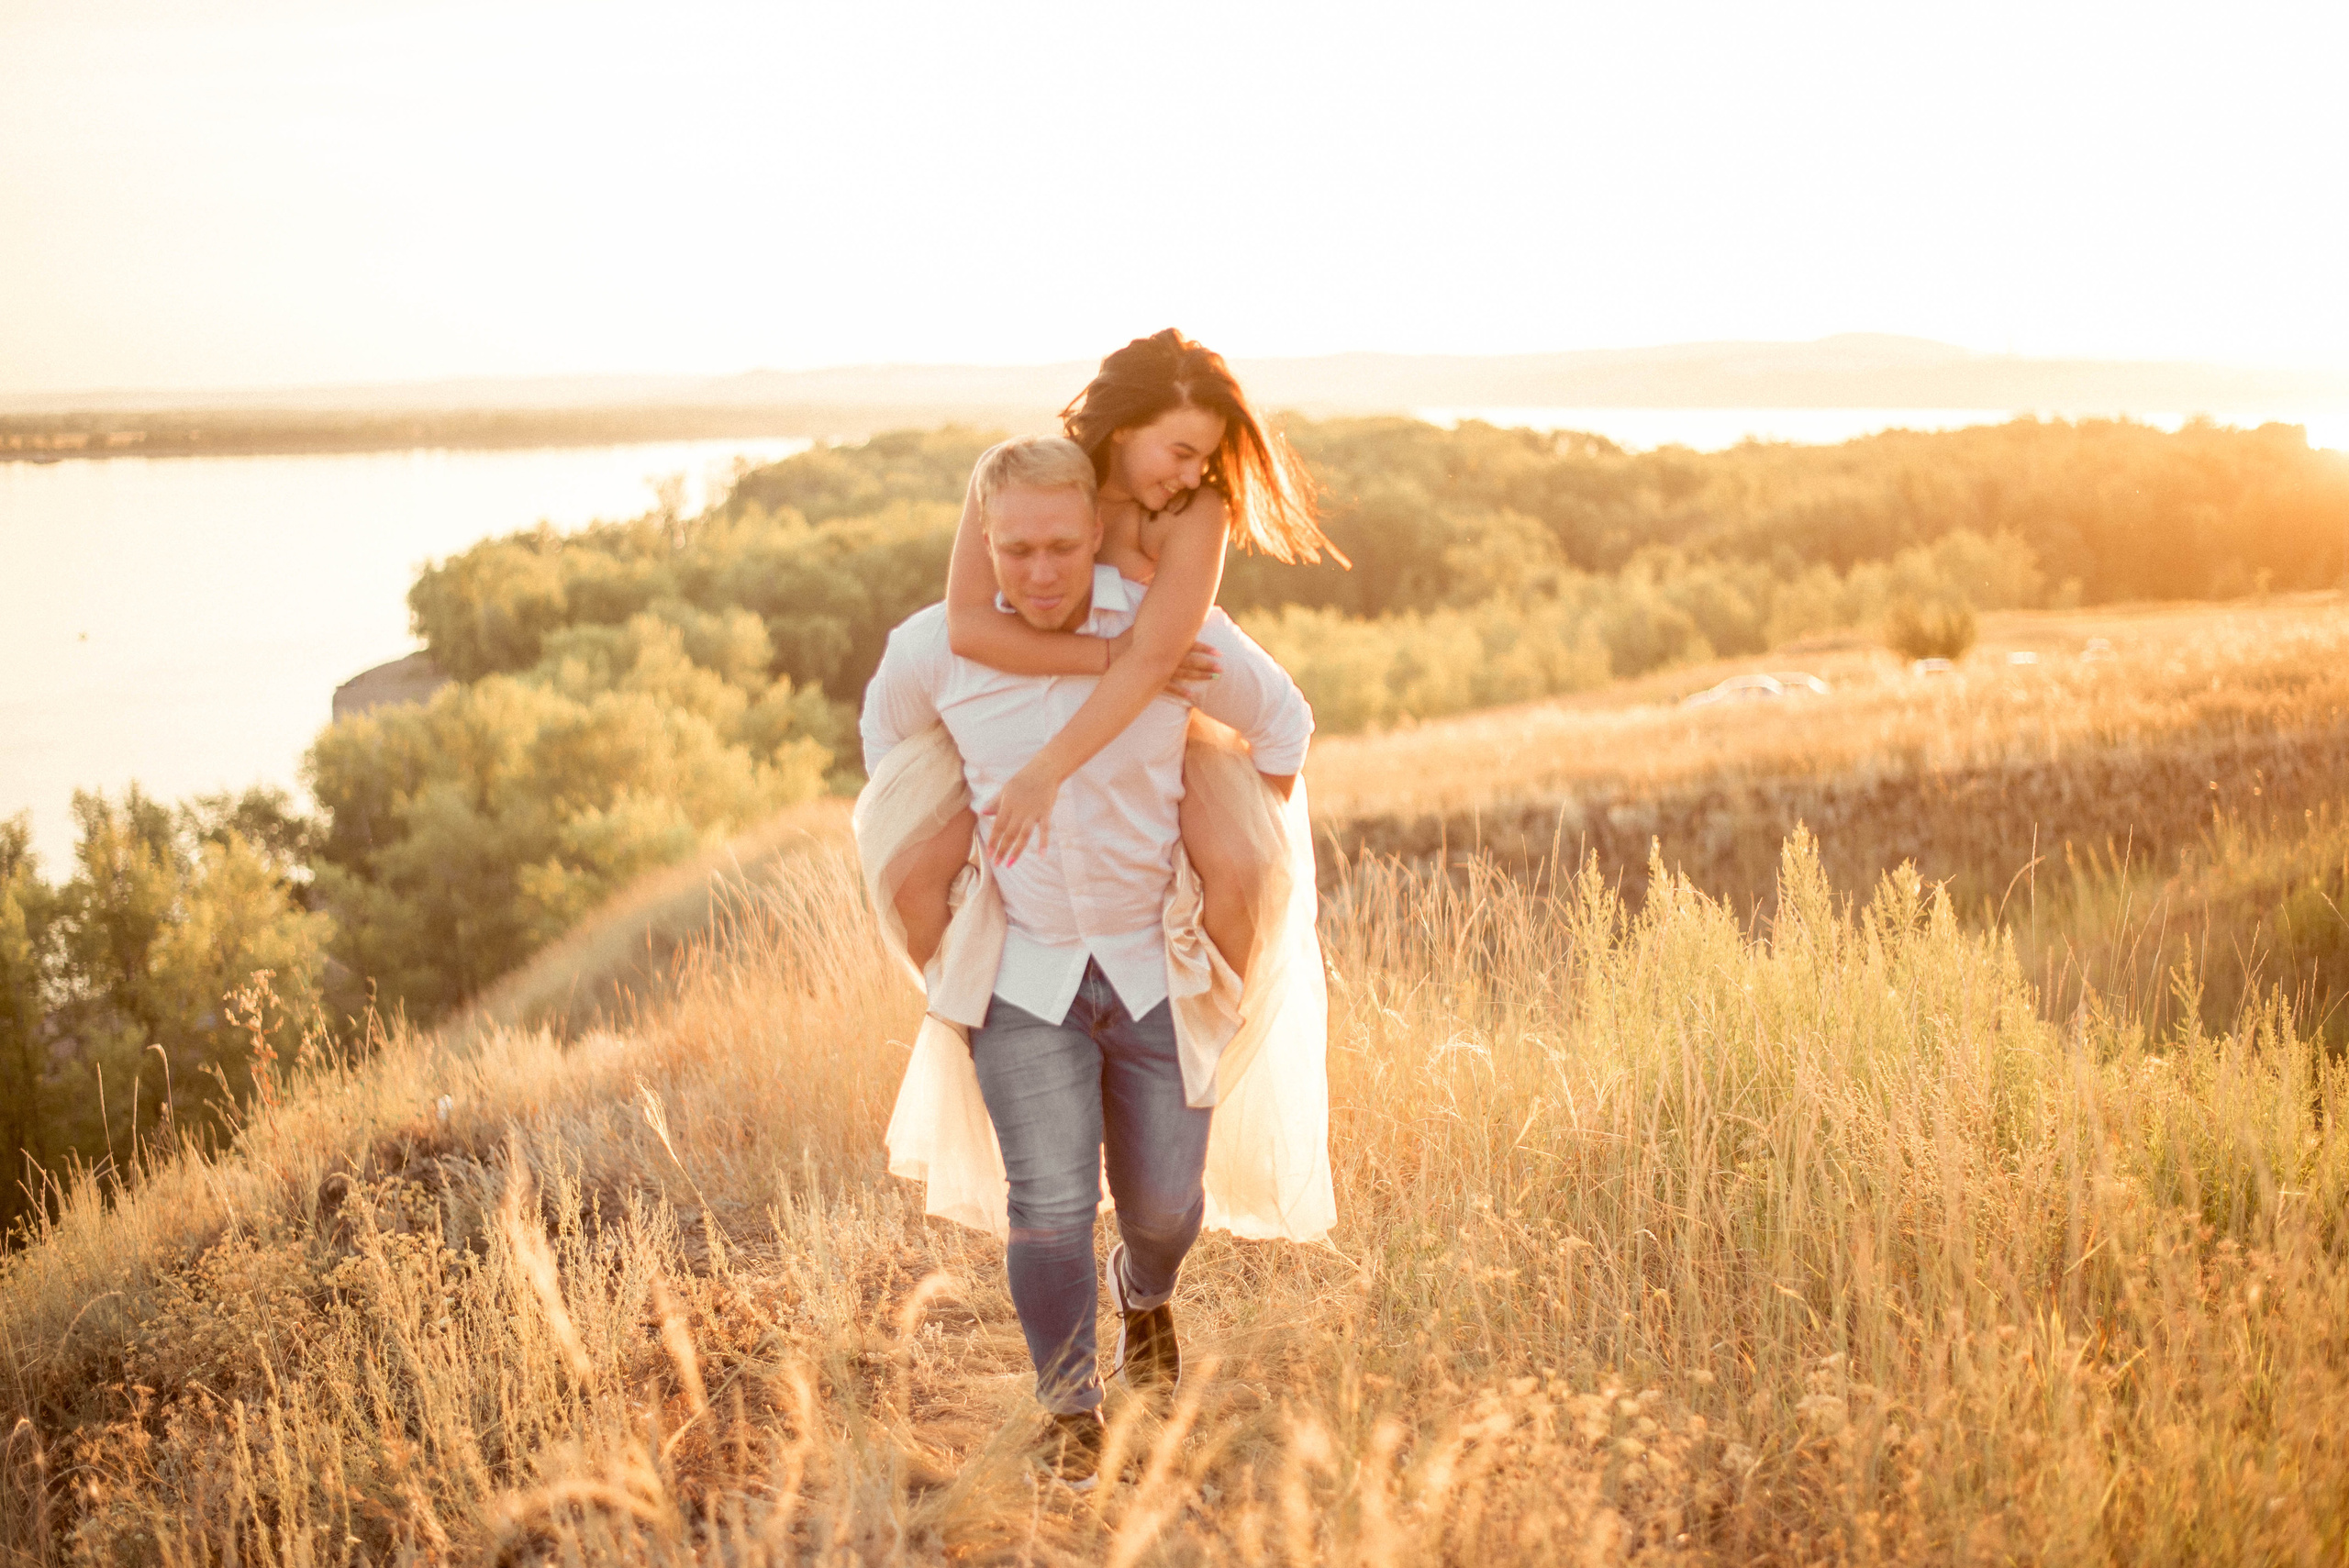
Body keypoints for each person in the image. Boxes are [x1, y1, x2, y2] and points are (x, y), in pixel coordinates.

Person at [857, 436, 1325, 1488]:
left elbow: (1285, 722)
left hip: (1159, 966)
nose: (1038, 572)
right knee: (1048, 1201)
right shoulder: (931, 649)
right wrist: (946, 864)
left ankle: (1144, 1287)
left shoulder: (1169, 634)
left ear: (1093, 529)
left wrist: (1242, 853)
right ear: (984, 539)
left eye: (1061, 546)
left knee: (1166, 1205)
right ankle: (1070, 1404)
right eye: (1014, 549)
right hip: (1022, 978)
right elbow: (887, 761)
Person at [885, 328, 1342, 982]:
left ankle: (1212, 1014)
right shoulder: (1037, 481)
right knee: (911, 871)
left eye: (1204, 456)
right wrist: (1107, 652)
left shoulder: (1195, 508)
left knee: (1243, 867)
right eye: (1181, 451)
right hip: (1101, 707)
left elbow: (1157, 661)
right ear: (1124, 428)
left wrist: (1048, 770)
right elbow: (970, 628)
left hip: (1180, 717)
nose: (1192, 472)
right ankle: (973, 1024)